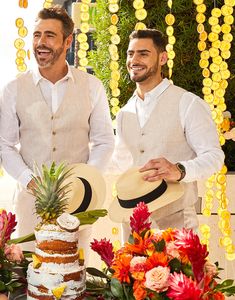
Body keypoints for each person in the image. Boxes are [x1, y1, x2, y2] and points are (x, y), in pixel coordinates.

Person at [0, 5, 115, 254]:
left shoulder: (92, 86)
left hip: (78, 205)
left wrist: (85, 180)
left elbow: (105, 140)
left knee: (73, 280)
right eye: (37, 35)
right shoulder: (13, 88)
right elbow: (5, 144)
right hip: (29, 205)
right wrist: (29, 180)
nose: (41, 42)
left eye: (50, 35)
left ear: (68, 42)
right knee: (27, 280)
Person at [112, 29, 224, 240]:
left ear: (162, 58)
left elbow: (214, 156)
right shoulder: (123, 113)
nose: (134, 60)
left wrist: (180, 170)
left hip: (177, 226)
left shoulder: (188, 103)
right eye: (130, 53)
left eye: (143, 53)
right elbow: (121, 161)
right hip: (133, 226)